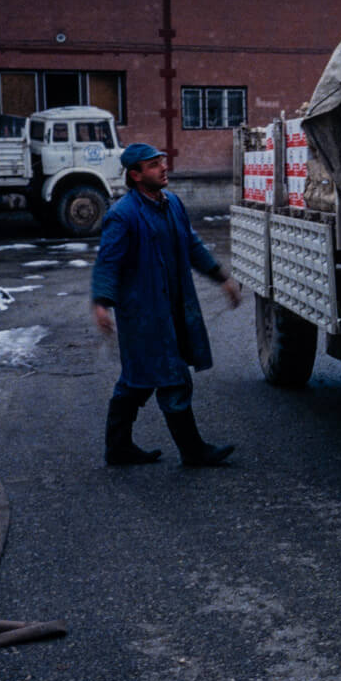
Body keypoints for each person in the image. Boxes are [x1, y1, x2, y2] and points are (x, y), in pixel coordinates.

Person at [92, 142, 242, 468]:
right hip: (143, 315)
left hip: (174, 308)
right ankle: (193, 451)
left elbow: (192, 245)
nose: (163, 168)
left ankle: (118, 449)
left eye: (162, 161)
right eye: (153, 164)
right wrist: (101, 303)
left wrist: (221, 277)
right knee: (172, 375)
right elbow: (108, 264)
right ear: (135, 175)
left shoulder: (172, 203)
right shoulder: (123, 215)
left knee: (137, 379)